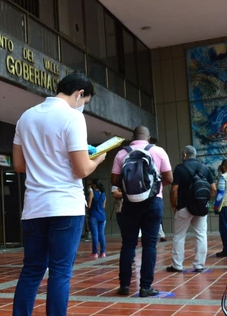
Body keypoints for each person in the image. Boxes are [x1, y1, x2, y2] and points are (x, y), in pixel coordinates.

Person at [7, 72, 106, 316]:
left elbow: (18, 164)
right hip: (65, 205)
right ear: (79, 93)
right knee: (60, 272)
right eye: (85, 100)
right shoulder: (73, 118)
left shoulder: (25, 117)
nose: (83, 105)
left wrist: (46, 160)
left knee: (31, 271)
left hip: (34, 207)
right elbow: (81, 170)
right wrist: (98, 158)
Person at [111, 126, 172, 297]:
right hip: (153, 202)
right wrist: (153, 188)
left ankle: (124, 285)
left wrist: (129, 190)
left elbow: (114, 180)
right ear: (149, 137)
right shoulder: (159, 151)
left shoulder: (122, 153)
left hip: (130, 203)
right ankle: (145, 287)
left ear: (132, 137)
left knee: (128, 244)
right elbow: (169, 178)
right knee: (149, 244)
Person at [167, 145, 216, 273]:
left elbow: (174, 190)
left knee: (179, 236)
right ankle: (199, 264)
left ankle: (177, 265)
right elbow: (214, 189)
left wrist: (174, 205)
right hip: (200, 208)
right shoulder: (205, 168)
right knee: (201, 235)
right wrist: (205, 201)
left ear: (184, 155)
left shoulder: (179, 168)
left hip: (183, 207)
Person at [87, 179, 107, 258]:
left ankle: (95, 253)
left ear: (94, 185)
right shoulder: (104, 194)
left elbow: (89, 205)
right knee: (101, 235)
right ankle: (103, 252)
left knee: (95, 235)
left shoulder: (92, 193)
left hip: (93, 216)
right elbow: (103, 206)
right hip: (102, 216)